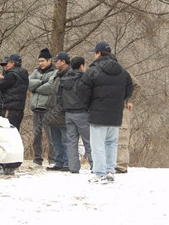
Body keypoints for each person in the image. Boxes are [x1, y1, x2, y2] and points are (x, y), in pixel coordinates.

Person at [77, 41, 133, 184]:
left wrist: (88, 106)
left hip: (97, 113)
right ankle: (110, 171)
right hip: (115, 113)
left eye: (94, 53)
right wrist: (120, 101)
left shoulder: (93, 70)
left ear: (99, 53)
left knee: (98, 145)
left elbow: (82, 90)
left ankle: (100, 173)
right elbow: (129, 89)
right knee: (111, 143)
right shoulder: (122, 71)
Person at [60, 56, 93, 173]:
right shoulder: (83, 79)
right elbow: (88, 96)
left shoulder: (64, 79)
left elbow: (59, 97)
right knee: (88, 140)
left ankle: (73, 167)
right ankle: (94, 165)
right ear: (82, 66)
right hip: (82, 112)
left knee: (71, 141)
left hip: (68, 113)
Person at [28, 48, 57, 168]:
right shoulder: (36, 71)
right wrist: (41, 81)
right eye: (39, 61)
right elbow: (28, 83)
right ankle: (37, 160)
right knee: (36, 136)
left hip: (48, 109)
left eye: (43, 61)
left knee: (51, 136)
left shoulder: (55, 72)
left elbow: (50, 87)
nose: (41, 63)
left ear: (49, 60)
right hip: (36, 108)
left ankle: (53, 160)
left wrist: (36, 85)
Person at [0, 54, 29, 131]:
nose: (6, 65)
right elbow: (14, 85)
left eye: (8, 63)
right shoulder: (23, 76)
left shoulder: (11, 75)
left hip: (10, 109)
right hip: (19, 109)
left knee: (7, 133)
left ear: (13, 63)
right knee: (15, 132)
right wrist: (4, 78)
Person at [43, 51, 71, 171]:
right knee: (56, 141)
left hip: (63, 113)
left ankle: (67, 163)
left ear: (63, 62)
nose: (54, 62)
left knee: (65, 140)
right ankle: (58, 162)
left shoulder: (70, 74)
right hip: (52, 113)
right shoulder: (57, 74)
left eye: (57, 60)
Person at [116, 73, 141, 173]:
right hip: (107, 109)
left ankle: (121, 165)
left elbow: (137, 86)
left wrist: (129, 100)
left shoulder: (123, 72)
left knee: (122, 136)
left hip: (122, 108)